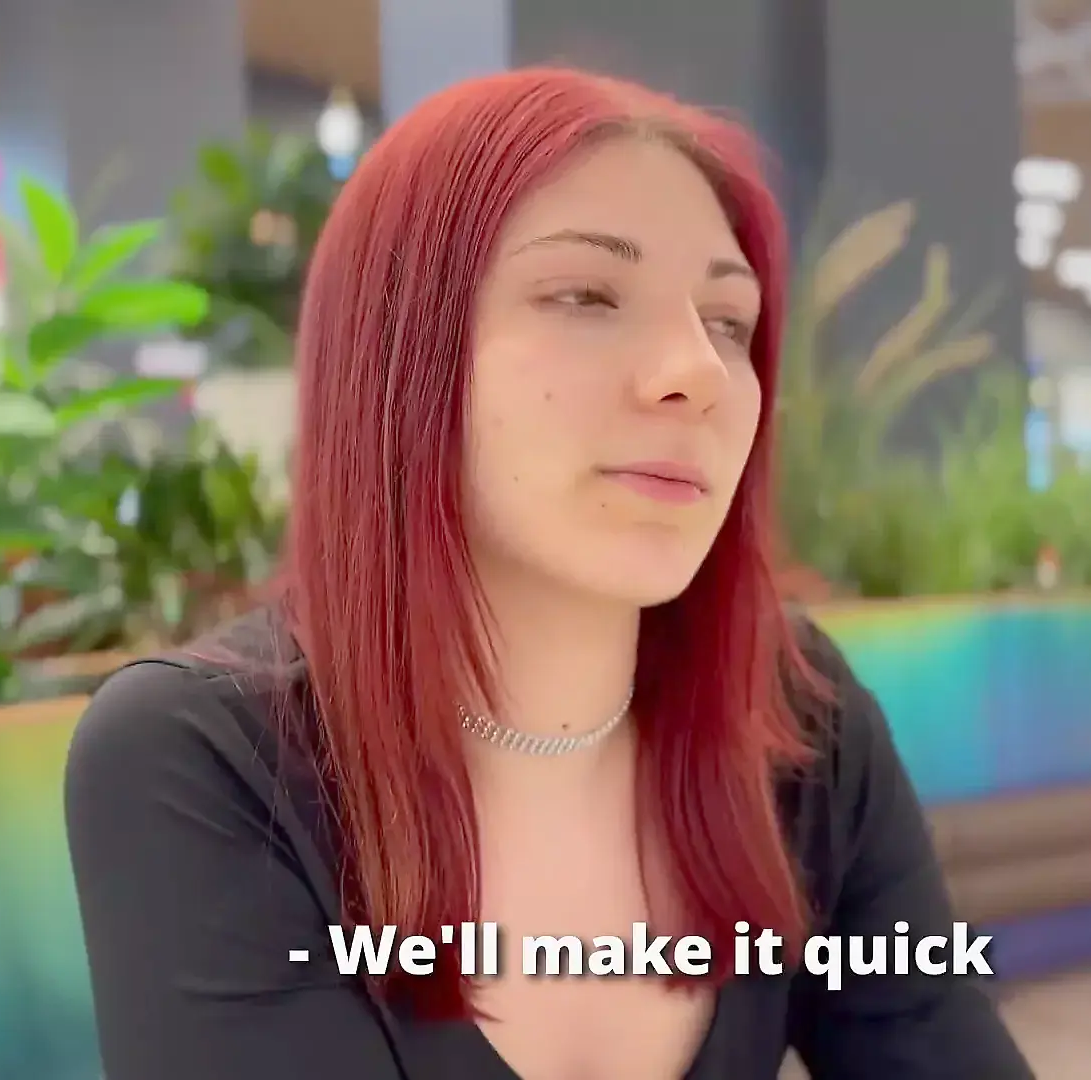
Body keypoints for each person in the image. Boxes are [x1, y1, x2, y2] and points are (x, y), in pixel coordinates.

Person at [63, 67, 1034, 1080]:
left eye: (728, 322)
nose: (698, 373)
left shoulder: (796, 723)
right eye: (585, 295)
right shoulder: (203, 758)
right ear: (400, 353)